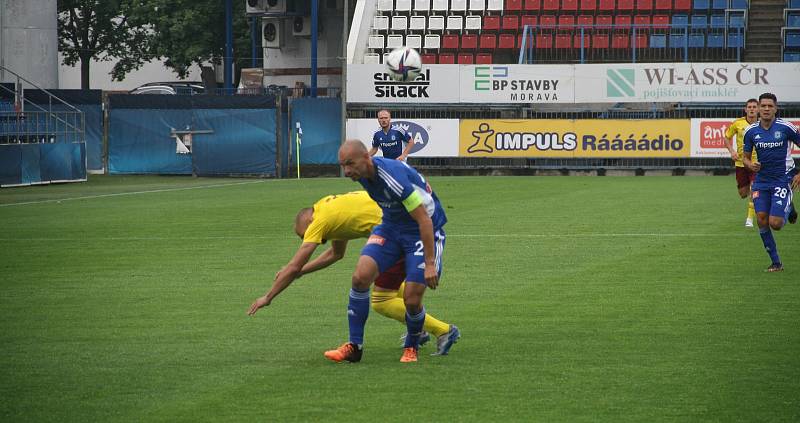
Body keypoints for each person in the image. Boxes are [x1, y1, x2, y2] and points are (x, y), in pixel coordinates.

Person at [246, 191, 458, 357]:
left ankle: (441, 330)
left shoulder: (319, 222)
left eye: (305, 235)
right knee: (386, 291)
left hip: (397, 233)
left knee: (381, 299)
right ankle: (419, 330)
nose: (309, 239)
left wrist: (268, 296)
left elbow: (292, 266)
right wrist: (301, 272)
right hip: (397, 225)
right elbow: (336, 254)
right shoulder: (329, 208)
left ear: (309, 221)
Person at [331, 139, 457, 363]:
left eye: (350, 164)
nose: (347, 171)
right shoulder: (364, 174)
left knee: (411, 299)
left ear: (367, 158)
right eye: (343, 166)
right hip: (391, 228)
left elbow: (424, 219)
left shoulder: (392, 178)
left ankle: (412, 347)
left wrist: (429, 263)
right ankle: (355, 346)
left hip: (422, 230)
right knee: (360, 278)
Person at [742, 93, 800, 272]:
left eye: (770, 106)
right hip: (761, 181)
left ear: (775, 108)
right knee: (761, 220)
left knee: (776, 224)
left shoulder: (785, 127)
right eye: (763, 106)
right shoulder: (751, 131)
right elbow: (745, 158)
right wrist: (751, 165)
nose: (766, 109)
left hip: (783, 179)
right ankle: (776, 263)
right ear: (758, 108)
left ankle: (789, 207)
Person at [723, 99, 759, 227]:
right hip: (740, 163)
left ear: (758, 109)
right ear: (745, 109)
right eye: (749, 107)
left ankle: (749, 219)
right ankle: (760, 197)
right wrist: (732, 151)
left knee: (754, 189)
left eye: (754, 107)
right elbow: (726, 137)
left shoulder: (763, 124)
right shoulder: (738, 123)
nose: (752, 109)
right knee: (743, 193)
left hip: (756, 164)